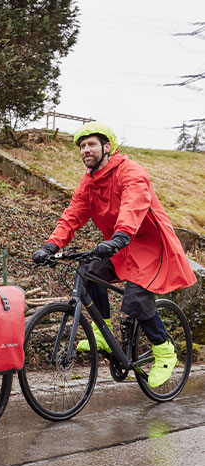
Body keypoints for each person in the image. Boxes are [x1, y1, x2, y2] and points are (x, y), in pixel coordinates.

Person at [32, 122, 196, 388]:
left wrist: (120, 236)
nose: (85, 150)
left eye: (91, 144)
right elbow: (73, 215)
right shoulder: (88, 182)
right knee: (90, 271)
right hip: (120, 244)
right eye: (82, 146)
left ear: (107, 147)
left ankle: (164, 350)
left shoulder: (131, 172)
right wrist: (51, 245)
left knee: (137, 298)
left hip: (149, 245)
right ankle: (100, 331)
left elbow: (133, 204)